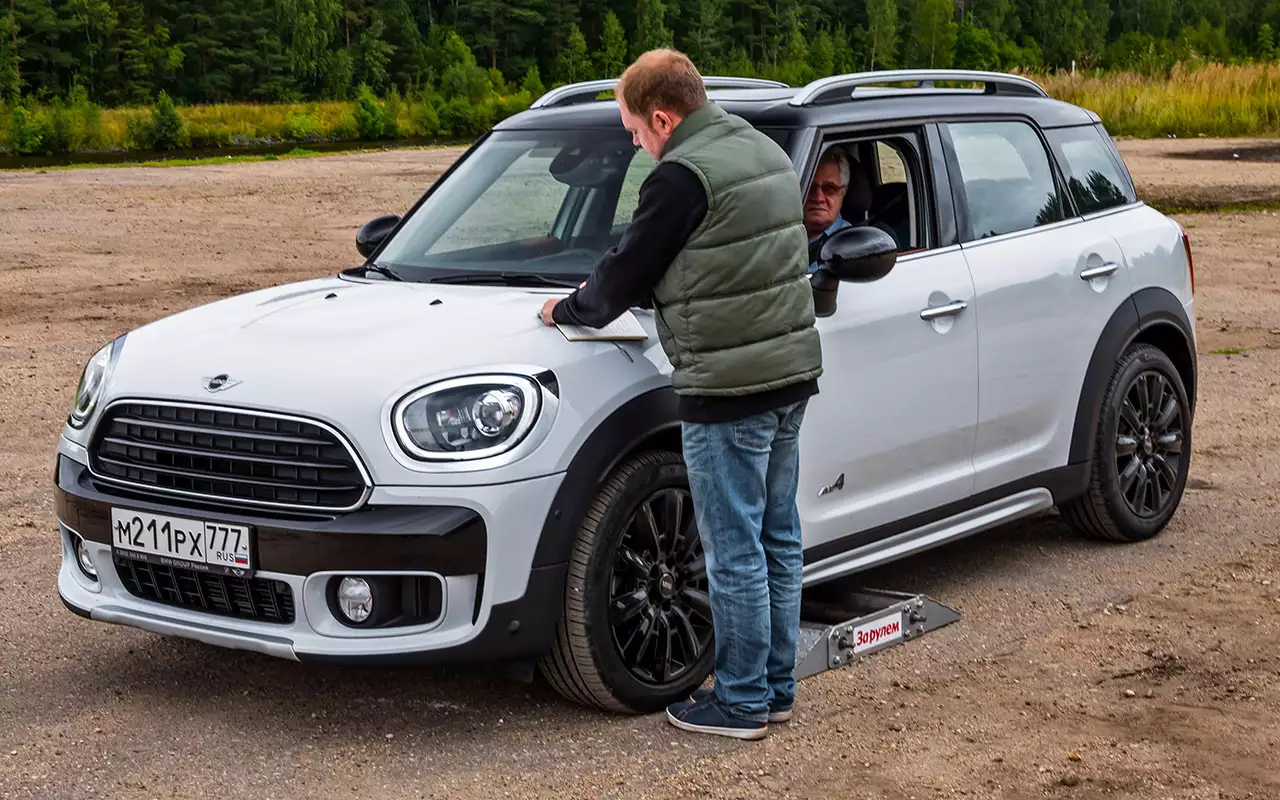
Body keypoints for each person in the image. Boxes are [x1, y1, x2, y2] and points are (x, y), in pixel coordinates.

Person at [538, 49, 823, 741]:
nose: (635, 144)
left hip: (729, 387)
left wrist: (565, 311)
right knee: (777, 538)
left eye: (635, 131)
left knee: (733, 551)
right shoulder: (761, 150)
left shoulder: (681, 177)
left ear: (664, 117)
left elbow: (623, 277)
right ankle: (775, 690)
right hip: (791, 374)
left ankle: (742, 702)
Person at [803, 147, 852, 273]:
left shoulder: (851, 244)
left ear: (842, 193)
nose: (818, 198)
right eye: (810, 187)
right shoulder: (775, 235)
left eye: (829, 188)